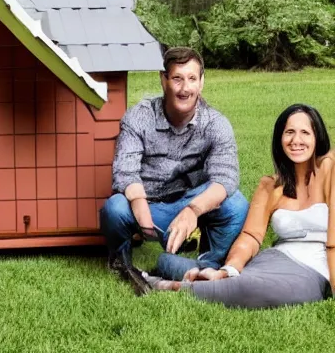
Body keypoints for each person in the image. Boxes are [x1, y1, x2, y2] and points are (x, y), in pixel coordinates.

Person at [132, 104, 334, 309]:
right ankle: (166, 278)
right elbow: (251, 237)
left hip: (314, 270)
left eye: (305, 133)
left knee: (253, 289)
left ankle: (166, 281)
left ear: (317, 137)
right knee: (239, 283)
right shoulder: (270, 186)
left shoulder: (330, 172)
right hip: (276, 259)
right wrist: (229, 269)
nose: (296, 140)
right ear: (279, 138)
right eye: (289, 132)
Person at [100, 46, 249, 283]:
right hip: (148, 201)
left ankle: (207, 263)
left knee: (237, 204)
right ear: (163, 80)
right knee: (114, 209)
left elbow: (226, 178)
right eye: (177, 78)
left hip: (191, 199)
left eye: (192, 79)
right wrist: (139, 205)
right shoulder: (139, 116)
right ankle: (121, 262)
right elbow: (125, 172)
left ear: (201, 82)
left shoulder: (217, 124)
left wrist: (193, 210)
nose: (185, 88)